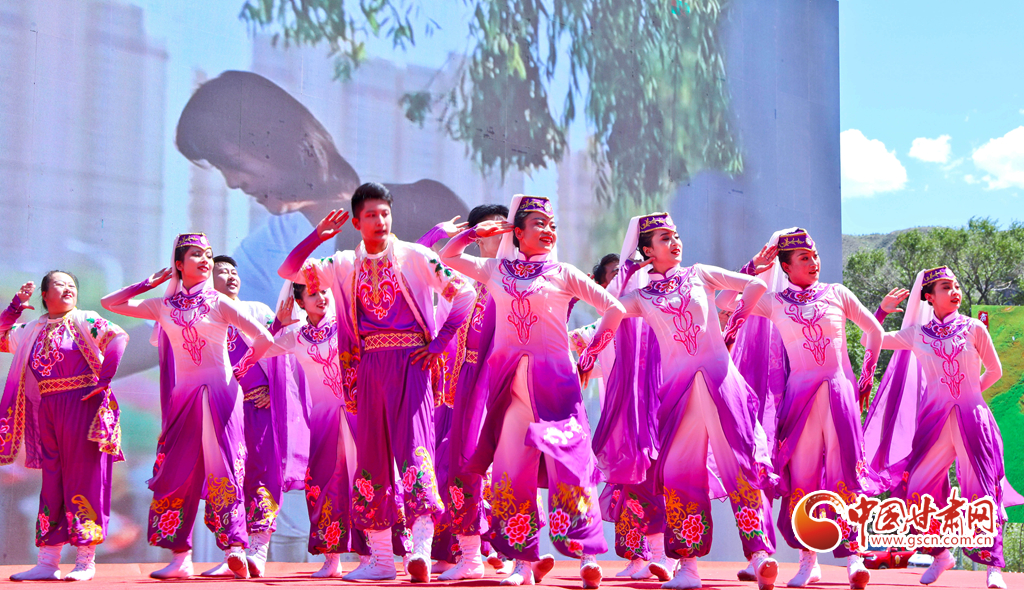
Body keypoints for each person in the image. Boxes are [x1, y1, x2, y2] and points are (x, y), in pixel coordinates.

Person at [278, 182, 475, 582]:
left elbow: (465, 293)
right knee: (371, 460)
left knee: (415, 450)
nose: (380, 221)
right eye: (371, 215)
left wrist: (439, 344)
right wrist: (317, 237)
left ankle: (420, 550)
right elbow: (289, 271)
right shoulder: (343, 263)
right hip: (367, 367)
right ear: (356, 222)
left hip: (411, 364)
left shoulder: (415, 256)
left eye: (385, 213)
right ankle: (382, 559)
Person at [440, 195, 626, 588]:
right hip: (511, 391)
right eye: (538, 223)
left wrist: (592, 351)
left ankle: (588, 558)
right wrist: (475, 233)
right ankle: (523, 564)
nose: (548, 230)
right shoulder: (496, 270)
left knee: (570, 466)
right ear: (517, 232)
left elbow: (615, 309)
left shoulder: (563, 273)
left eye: (551, 224)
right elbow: (448, 256)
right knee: (512, 471)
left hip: (557, 387)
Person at [175, 70, 469, 307]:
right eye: (220, 168)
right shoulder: (262, 251)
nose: (232, 182)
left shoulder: (425, 205)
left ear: (274, 139)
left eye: (233, 163)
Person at [612, 213, 777, 590]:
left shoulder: (699, 274)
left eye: (676, 235)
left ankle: (759, 555)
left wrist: (735, 322)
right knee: (679, 474)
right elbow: (613, 308)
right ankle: (688, 567)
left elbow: (754, 284)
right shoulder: (642, 296)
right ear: (647, 251)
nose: (675, 242)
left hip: (722, 385)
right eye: (664, 238)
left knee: (740, 464)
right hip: (678, 392)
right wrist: (629, 269)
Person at [101, 233, 274, 580]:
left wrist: (241, 369)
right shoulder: (163, 306)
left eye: (208, 254)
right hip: (184, 398)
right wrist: (148, 283)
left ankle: (234, 548)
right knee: (175, 473)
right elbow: (110, 302)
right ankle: (181, 558)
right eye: (196, 254)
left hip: (223, 396)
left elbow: (264, 338)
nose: (205, 259)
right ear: (179, 264)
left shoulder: (220, 303)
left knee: (226, 470)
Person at [724, 228, 883, 589]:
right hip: (800, 397)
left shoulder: (837, 294)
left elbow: (874, 331)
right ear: (785, 266)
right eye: (804, 258)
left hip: (839, 394)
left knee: (845, 474)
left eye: (815, 256)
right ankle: (808, 562)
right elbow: (725, 301)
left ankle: (855, 559)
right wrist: (754, 266)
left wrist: (865, 379)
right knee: (803, 477)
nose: (814, 262)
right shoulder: (774, 301)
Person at [866, 267, 1020, 589]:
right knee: (917, 487)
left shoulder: (974, 328)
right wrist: (881, 312)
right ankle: (940, 554)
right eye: (946, 287)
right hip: (933, 422)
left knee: (981, 489)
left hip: (973, 420)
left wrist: (970, 396)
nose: (955, 291)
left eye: (956, 286)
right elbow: (873, 340)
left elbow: (995, 370)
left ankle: (993, 567)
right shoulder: (917, 334)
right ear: (929, 297)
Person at [1, 272, 128, 582]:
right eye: (60, 284)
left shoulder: (85, 319)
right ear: (45, 295)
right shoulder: (31, 330)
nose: (68, 288)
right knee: (52, 483)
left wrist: (105, 379)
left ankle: (85, 560)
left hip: (83, 404)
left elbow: (118, 337)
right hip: (48, 410)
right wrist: (14, 307)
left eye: (72, 285)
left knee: (85, 479)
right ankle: (47, 561)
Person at [199, 255, 308, 578]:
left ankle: (257, 550)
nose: (231, 276)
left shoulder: (256, 311)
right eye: (222, 272)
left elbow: (279, 351)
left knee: (261, 472)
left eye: (234, 271)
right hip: (223, 408)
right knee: (226, 476)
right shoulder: (203, 318)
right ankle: (232, 551)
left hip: (258, 408)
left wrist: (272, 390)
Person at [264, 282, 363, 578]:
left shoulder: (348, 325)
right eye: (312, 294)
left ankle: (375, 555)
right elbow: (258, 352)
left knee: (367, 480)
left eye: (324, 291)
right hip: (322, 421)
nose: (321, 298)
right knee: (322, 485)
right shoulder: (296, 336)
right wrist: (278, 324)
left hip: (358, 414)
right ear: (300, 302)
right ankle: (332, 559)